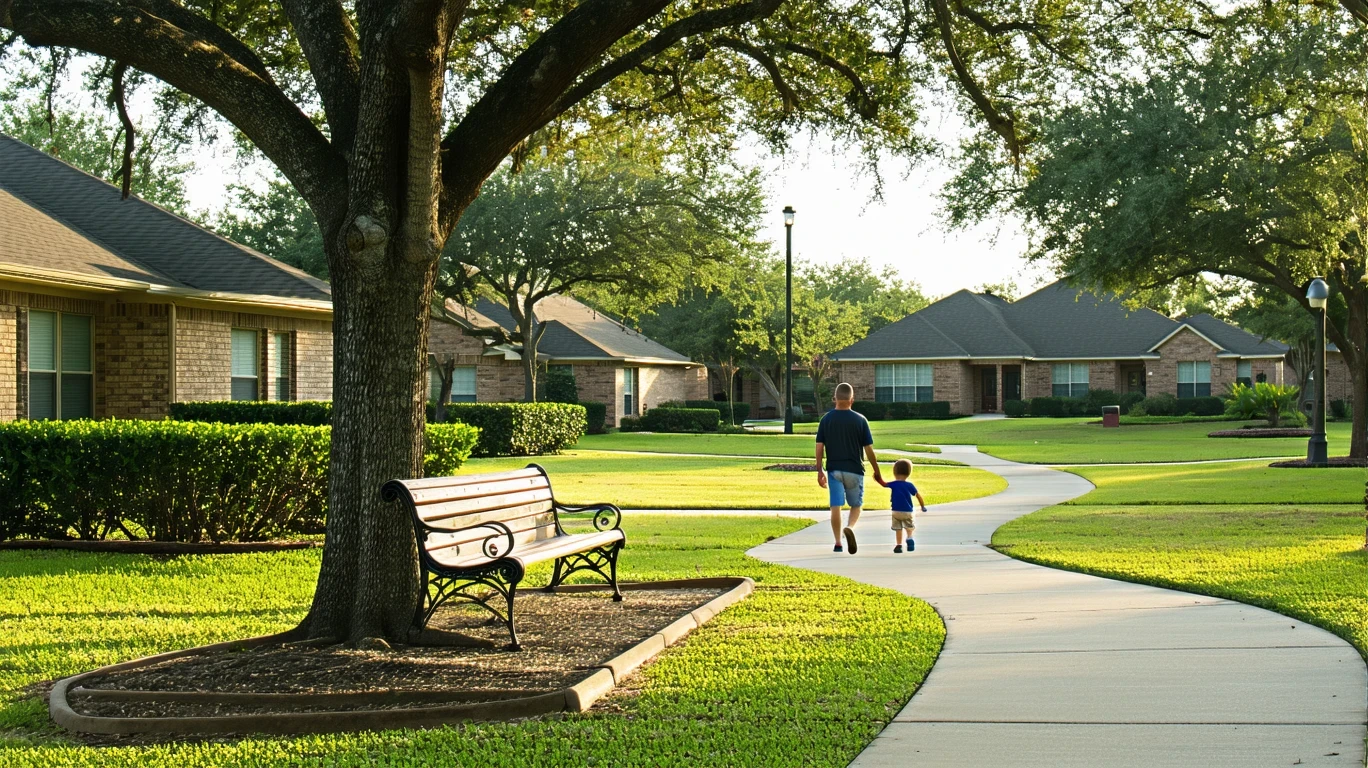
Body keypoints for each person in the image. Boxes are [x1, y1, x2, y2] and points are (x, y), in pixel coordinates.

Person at [816, 382, 883, 554]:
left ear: (834, 399)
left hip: (834, 470)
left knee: (835, 506)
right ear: (852, 400)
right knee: (856, 505)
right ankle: (851, 527)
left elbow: (819, 447)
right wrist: (877, 470)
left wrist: (819, 470)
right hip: (854, 470)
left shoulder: (826, 420)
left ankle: (838, 543)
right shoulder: (860, 420)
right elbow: (869, 450)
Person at [883, 458, 928, 553]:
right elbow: (917, 495)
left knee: (898, 528)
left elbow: (883, 484)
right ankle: (909, 537)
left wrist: (877, 478)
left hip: (896, 511)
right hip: (908, 511)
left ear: (894, 472)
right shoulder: (909, 485)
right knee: (909, 526)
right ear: (908, 472)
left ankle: (899, 545)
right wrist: (922, 506)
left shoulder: (893, 484)